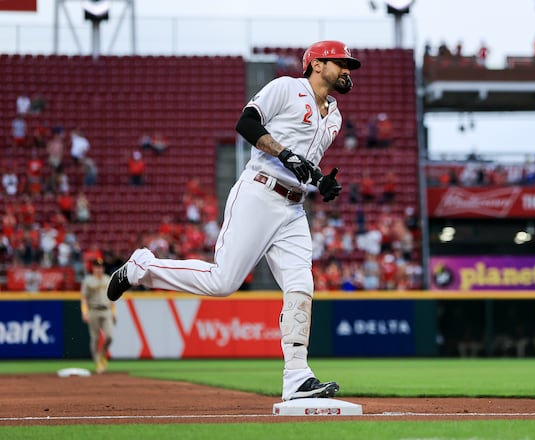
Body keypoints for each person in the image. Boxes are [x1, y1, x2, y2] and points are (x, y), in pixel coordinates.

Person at [106, 40, 355, 401]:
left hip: (293, 207)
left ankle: (297, 377)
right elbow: (246, 123)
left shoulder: (334, 116)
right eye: (341, 63)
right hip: (259, 192)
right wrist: (286, 154)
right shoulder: (288, 87)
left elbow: (303, 164)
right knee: (222, 282)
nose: (347, 70)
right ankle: (141, 268)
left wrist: (320, 181)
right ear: (317, 64)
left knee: (301, 286)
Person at [81, 258, 115, 373]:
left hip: (106, 310)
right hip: (93, 310)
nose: (99, 269)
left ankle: (102, 354)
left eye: (100, 267)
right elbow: (84, 299)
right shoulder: (88, 281)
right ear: (93, 268)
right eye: (96, 267)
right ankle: (97, 362)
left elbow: (112, 298)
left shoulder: (107, 279)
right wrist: (84, 312)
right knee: (95, 338)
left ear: (103, 268)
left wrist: (114, 312)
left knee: (110, 336)